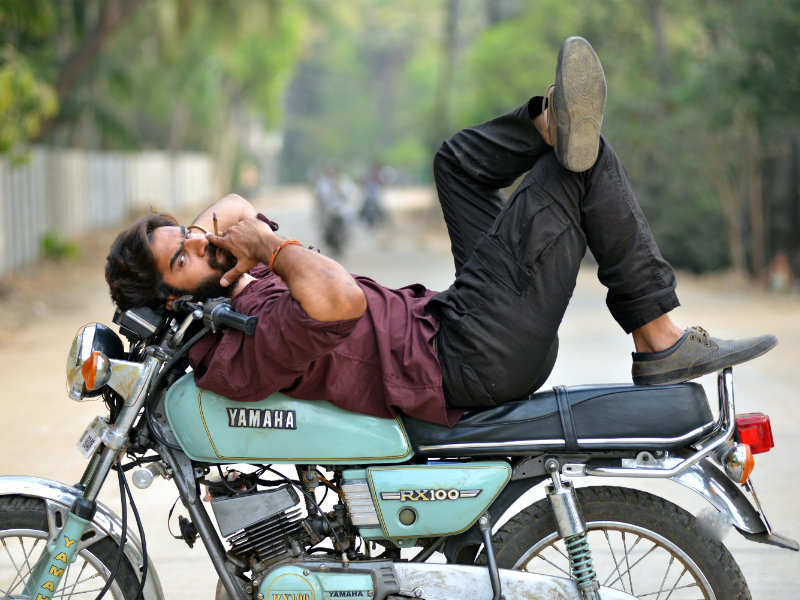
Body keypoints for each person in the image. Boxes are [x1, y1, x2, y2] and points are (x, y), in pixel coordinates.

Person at [105, 37, 776, 426]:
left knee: (456, 162)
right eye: (181, 260)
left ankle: (548, 124)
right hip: (468, 358)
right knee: (580, 167)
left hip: (449, 322)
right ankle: (657, 338)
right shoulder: (234, 346)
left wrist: (203, 242)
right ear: (174, 298)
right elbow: (340, 302)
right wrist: (269, 249)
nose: (199, 243)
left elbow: (229, 204)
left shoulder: (225, 283)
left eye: (186, 235)